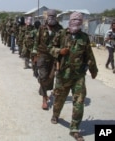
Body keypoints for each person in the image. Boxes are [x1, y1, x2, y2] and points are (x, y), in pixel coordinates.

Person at [49, 12, 98, 141]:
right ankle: (55, 114)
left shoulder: (84, 37)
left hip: (78, 76)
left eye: (79, 20)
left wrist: (94, 70)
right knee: (59, 98)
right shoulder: (61, 34)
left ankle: (74, 128)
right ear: (70, 21)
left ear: (81, 22)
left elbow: (89, 55)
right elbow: (50, 48)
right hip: (63, 75)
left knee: (79, 102)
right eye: (74, 19)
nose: (76, 21)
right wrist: (60, 51)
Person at [32, 9, 63, 110]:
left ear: (56, 17)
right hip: (42, 55)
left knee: (50, 77)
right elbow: (36, 42)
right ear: (46, 17)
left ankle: (46, 90)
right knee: (43, 76)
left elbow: (62, 44)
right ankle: (44, 99)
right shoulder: (42, 28)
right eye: (49, 16)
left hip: (54, 57)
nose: (51, 18)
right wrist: (34, 56)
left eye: (53, 16)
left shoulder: (60, 29)